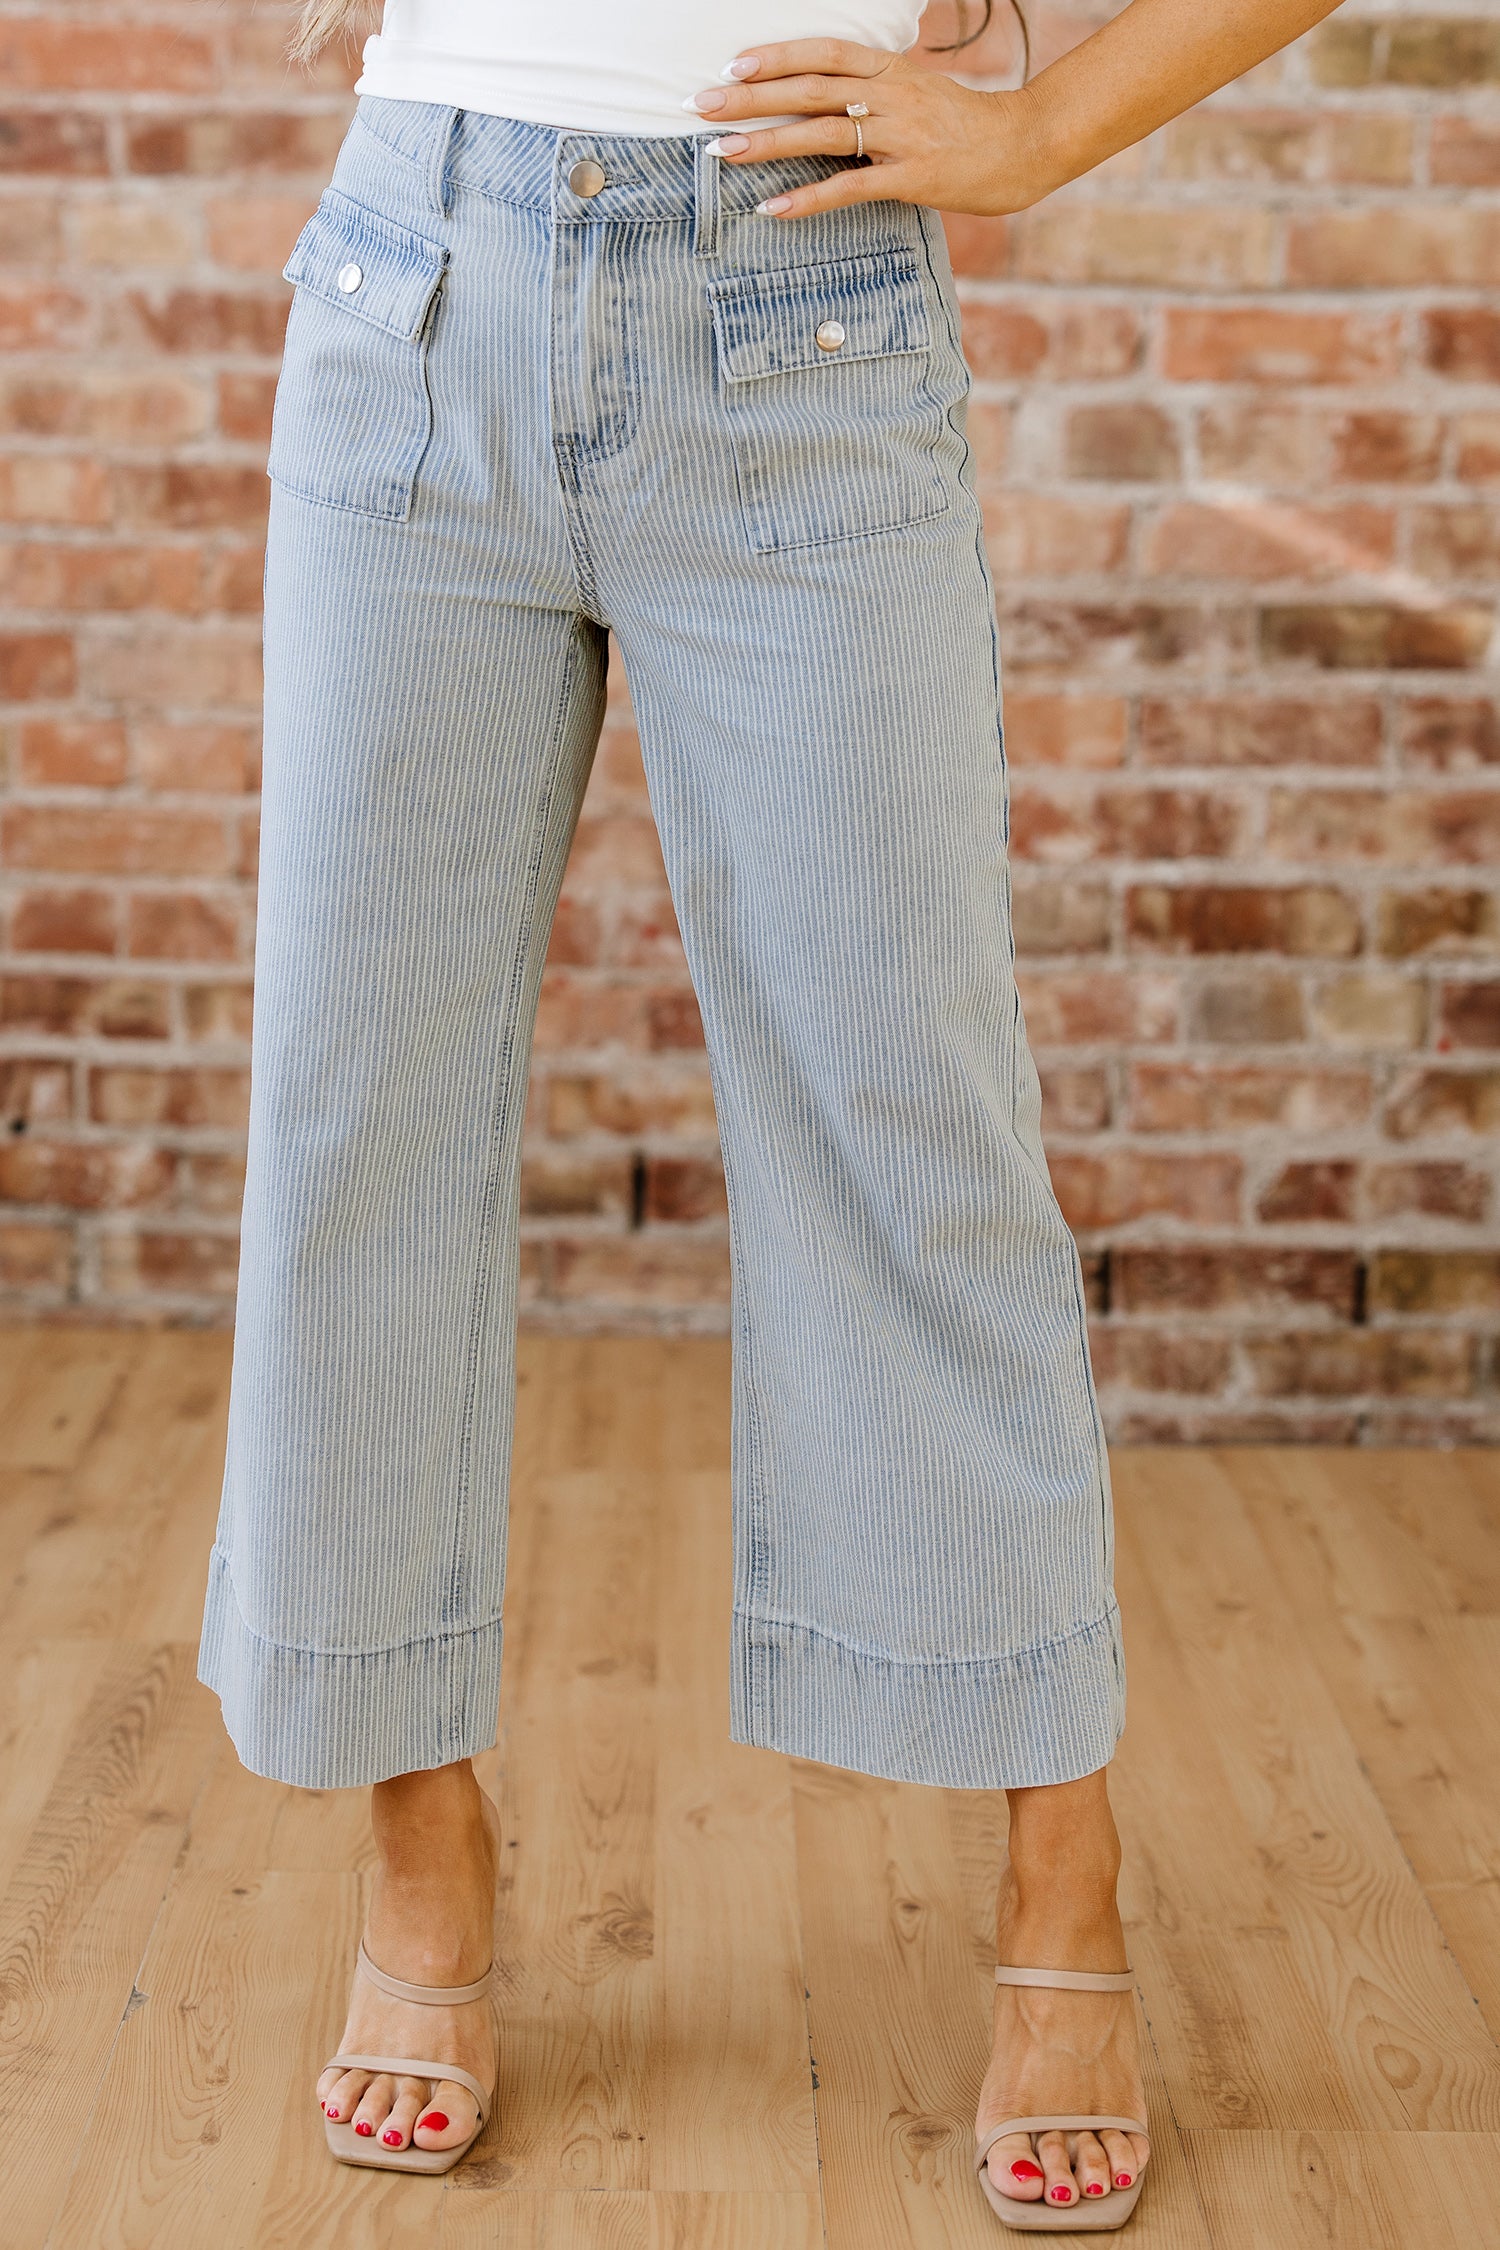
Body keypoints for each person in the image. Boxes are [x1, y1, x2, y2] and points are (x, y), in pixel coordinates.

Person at [197, 0, 1343, 2225]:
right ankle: (418, 1833)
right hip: (418, 278)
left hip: (799, 309)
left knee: (915, 1133)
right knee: (355, 1121)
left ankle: (1063, 1865)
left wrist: (1042, 128)